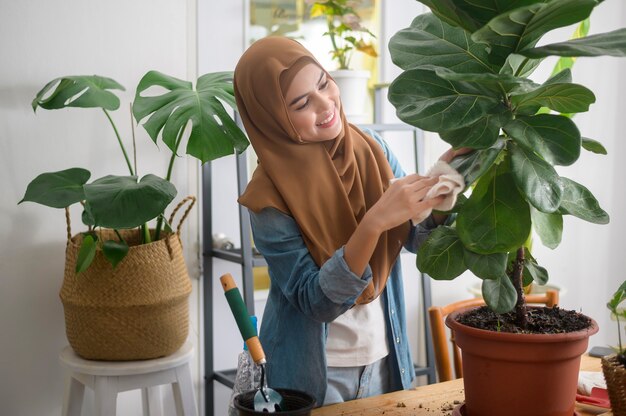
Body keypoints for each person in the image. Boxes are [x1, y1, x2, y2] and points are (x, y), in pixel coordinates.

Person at [233, 36, 466, 407]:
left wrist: (443, 182)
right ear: (272, 119)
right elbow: (316, 302)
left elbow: (417, 239)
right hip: (312, 378)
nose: (326, 104)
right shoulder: (267, 199)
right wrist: (373, 222)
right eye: (301, 103)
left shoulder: (372, 149)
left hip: (385, 358)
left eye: (323, 83)